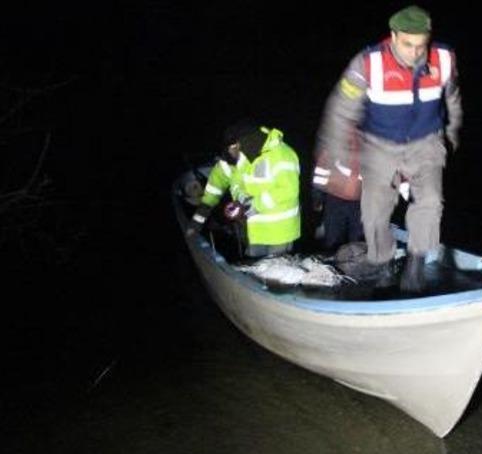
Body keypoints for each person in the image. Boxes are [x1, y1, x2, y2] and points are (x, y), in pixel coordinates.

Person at [316, 4, 462, 291]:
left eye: (421, 45)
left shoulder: (444, 58)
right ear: (393, 36)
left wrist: (453, 129)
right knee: (373, 211)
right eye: (407, 45)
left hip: (426, 141)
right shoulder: (367, 64)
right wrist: (337, 154)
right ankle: (382, 262)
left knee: (430, 201)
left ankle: (416, 263)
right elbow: (340, 110)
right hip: (380, 145)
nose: (415, 52)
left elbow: (453, 95)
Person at [186, 122, 301, 258]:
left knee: (277, 272)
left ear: (243, 143)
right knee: (254, 268)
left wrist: (253, 205)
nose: (231, 152)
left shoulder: (282, 155)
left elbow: (289, 191)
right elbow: (214, 188)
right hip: (254, 232)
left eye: (233, 147)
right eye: (229, 148)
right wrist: (198, 219)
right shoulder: (233, 159)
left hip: (280, 232)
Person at [311, 127, 364, 252]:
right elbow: (321, 171)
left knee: (357, 242)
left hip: (361, 203)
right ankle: (331, 267)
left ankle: (354, 267)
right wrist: (317, 196)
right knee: (332, 240)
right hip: (335, 199)